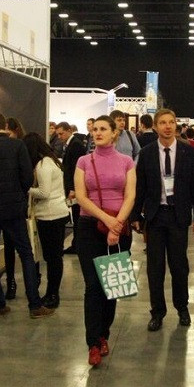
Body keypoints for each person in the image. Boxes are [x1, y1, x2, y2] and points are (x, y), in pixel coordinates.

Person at [0, 112, 53, 319]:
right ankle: (34, 305)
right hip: (14, 209)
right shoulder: (18, 146)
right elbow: (27, 178)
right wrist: (18, 193)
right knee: (25, 254)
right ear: (5, 126)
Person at [132, 108, 194, 332]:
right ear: (155, 127)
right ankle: (157, 312)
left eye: (171, 122)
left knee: (179, 266)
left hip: (178, 216)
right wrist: (135, 215)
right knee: (155, 268)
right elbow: (140, 186)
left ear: (176, 125)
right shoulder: (146, 153)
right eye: (162, 122)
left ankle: (182, 308)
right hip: (155, 216)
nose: (167, 126)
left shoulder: (187, 151)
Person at [74, 115, 136, 366]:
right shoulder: (83, 161)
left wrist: (117, 224)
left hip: (119, 227)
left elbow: (130, 196)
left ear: (114, 133)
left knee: (113, 285)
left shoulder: (127, 161)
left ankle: (103, 335)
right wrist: (107, 220)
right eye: (95, 129)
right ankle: (92, 343)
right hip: (89, 227)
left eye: (103, 129)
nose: (97, 132)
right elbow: (81, 197)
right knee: (93, 285)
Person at [23, 133, 70, 309]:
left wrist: (26, 189)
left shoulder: (43, 165)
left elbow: (44, 192)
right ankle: (52, 293)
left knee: (52, 258)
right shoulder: (52, 161)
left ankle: (52, 294)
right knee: (54, 257)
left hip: (49, 215)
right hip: (56, 212)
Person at [1, 117, 27, 299]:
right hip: (12, 203)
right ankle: (11, 282)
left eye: (8, 133)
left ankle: (24, 283)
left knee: (23, 248)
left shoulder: (20, 147)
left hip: (18, 204)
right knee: (11, 246)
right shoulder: (13, 147)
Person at [57, 121, 86, 255]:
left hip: (75, 189)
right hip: (72, 187)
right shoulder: (71, 144)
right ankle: (77, 244)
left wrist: (73, 189)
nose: (59, 137)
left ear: (69, 130)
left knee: (77, 216)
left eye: (61, 133)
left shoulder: (76, 145)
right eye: (58, 134)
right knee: (75, 217)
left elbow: (75, 169)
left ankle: (77, 245)